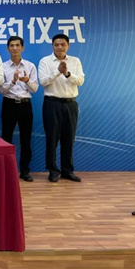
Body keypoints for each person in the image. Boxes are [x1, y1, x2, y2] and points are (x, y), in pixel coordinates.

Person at [39, 34, 85, 182]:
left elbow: (80, 81)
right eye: (56, 45)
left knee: (69, 139)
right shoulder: (45, 61)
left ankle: (67, 170)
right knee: (52, 139)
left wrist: (67, 74)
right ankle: (52, 170)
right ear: (52, 46)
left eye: (63, 44)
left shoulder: (75, 61)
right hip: (52, 103)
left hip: (70, 104)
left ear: (68, 45)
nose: (60, 47)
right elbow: (43, 81)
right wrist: (57, 71)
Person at [0, 36, 38, 182]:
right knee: (6, 139)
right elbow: (1, 90)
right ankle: (7, 171)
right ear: (8, 48)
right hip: (9, 104)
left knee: (26, 139)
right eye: (12, 46)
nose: (14, 48)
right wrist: (13, 81)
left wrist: (27, 81)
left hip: (25, 105)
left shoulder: (30, 66)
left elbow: (34, 89)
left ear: (22, 48)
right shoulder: (2, 67)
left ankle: (25, 171)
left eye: (17, 45)